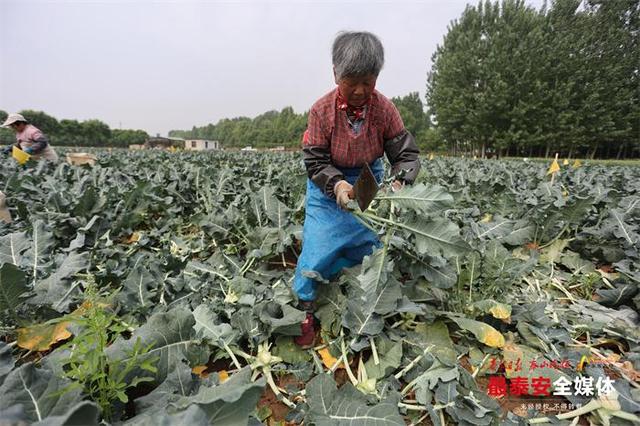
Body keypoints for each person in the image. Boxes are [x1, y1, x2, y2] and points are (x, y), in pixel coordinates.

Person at [293, 31, 421, 347]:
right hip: (328, 183)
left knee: (369, 245)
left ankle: (358, 296)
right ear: (336, 74)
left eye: (368, 80)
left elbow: (404, 154)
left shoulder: (385, 109)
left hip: (367, 179)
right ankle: (305, 306)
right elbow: (315, 160)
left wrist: (399, 181)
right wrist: (336, 185)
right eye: (352, 82)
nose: (361, 90)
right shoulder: (320, 111)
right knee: (320, 243)